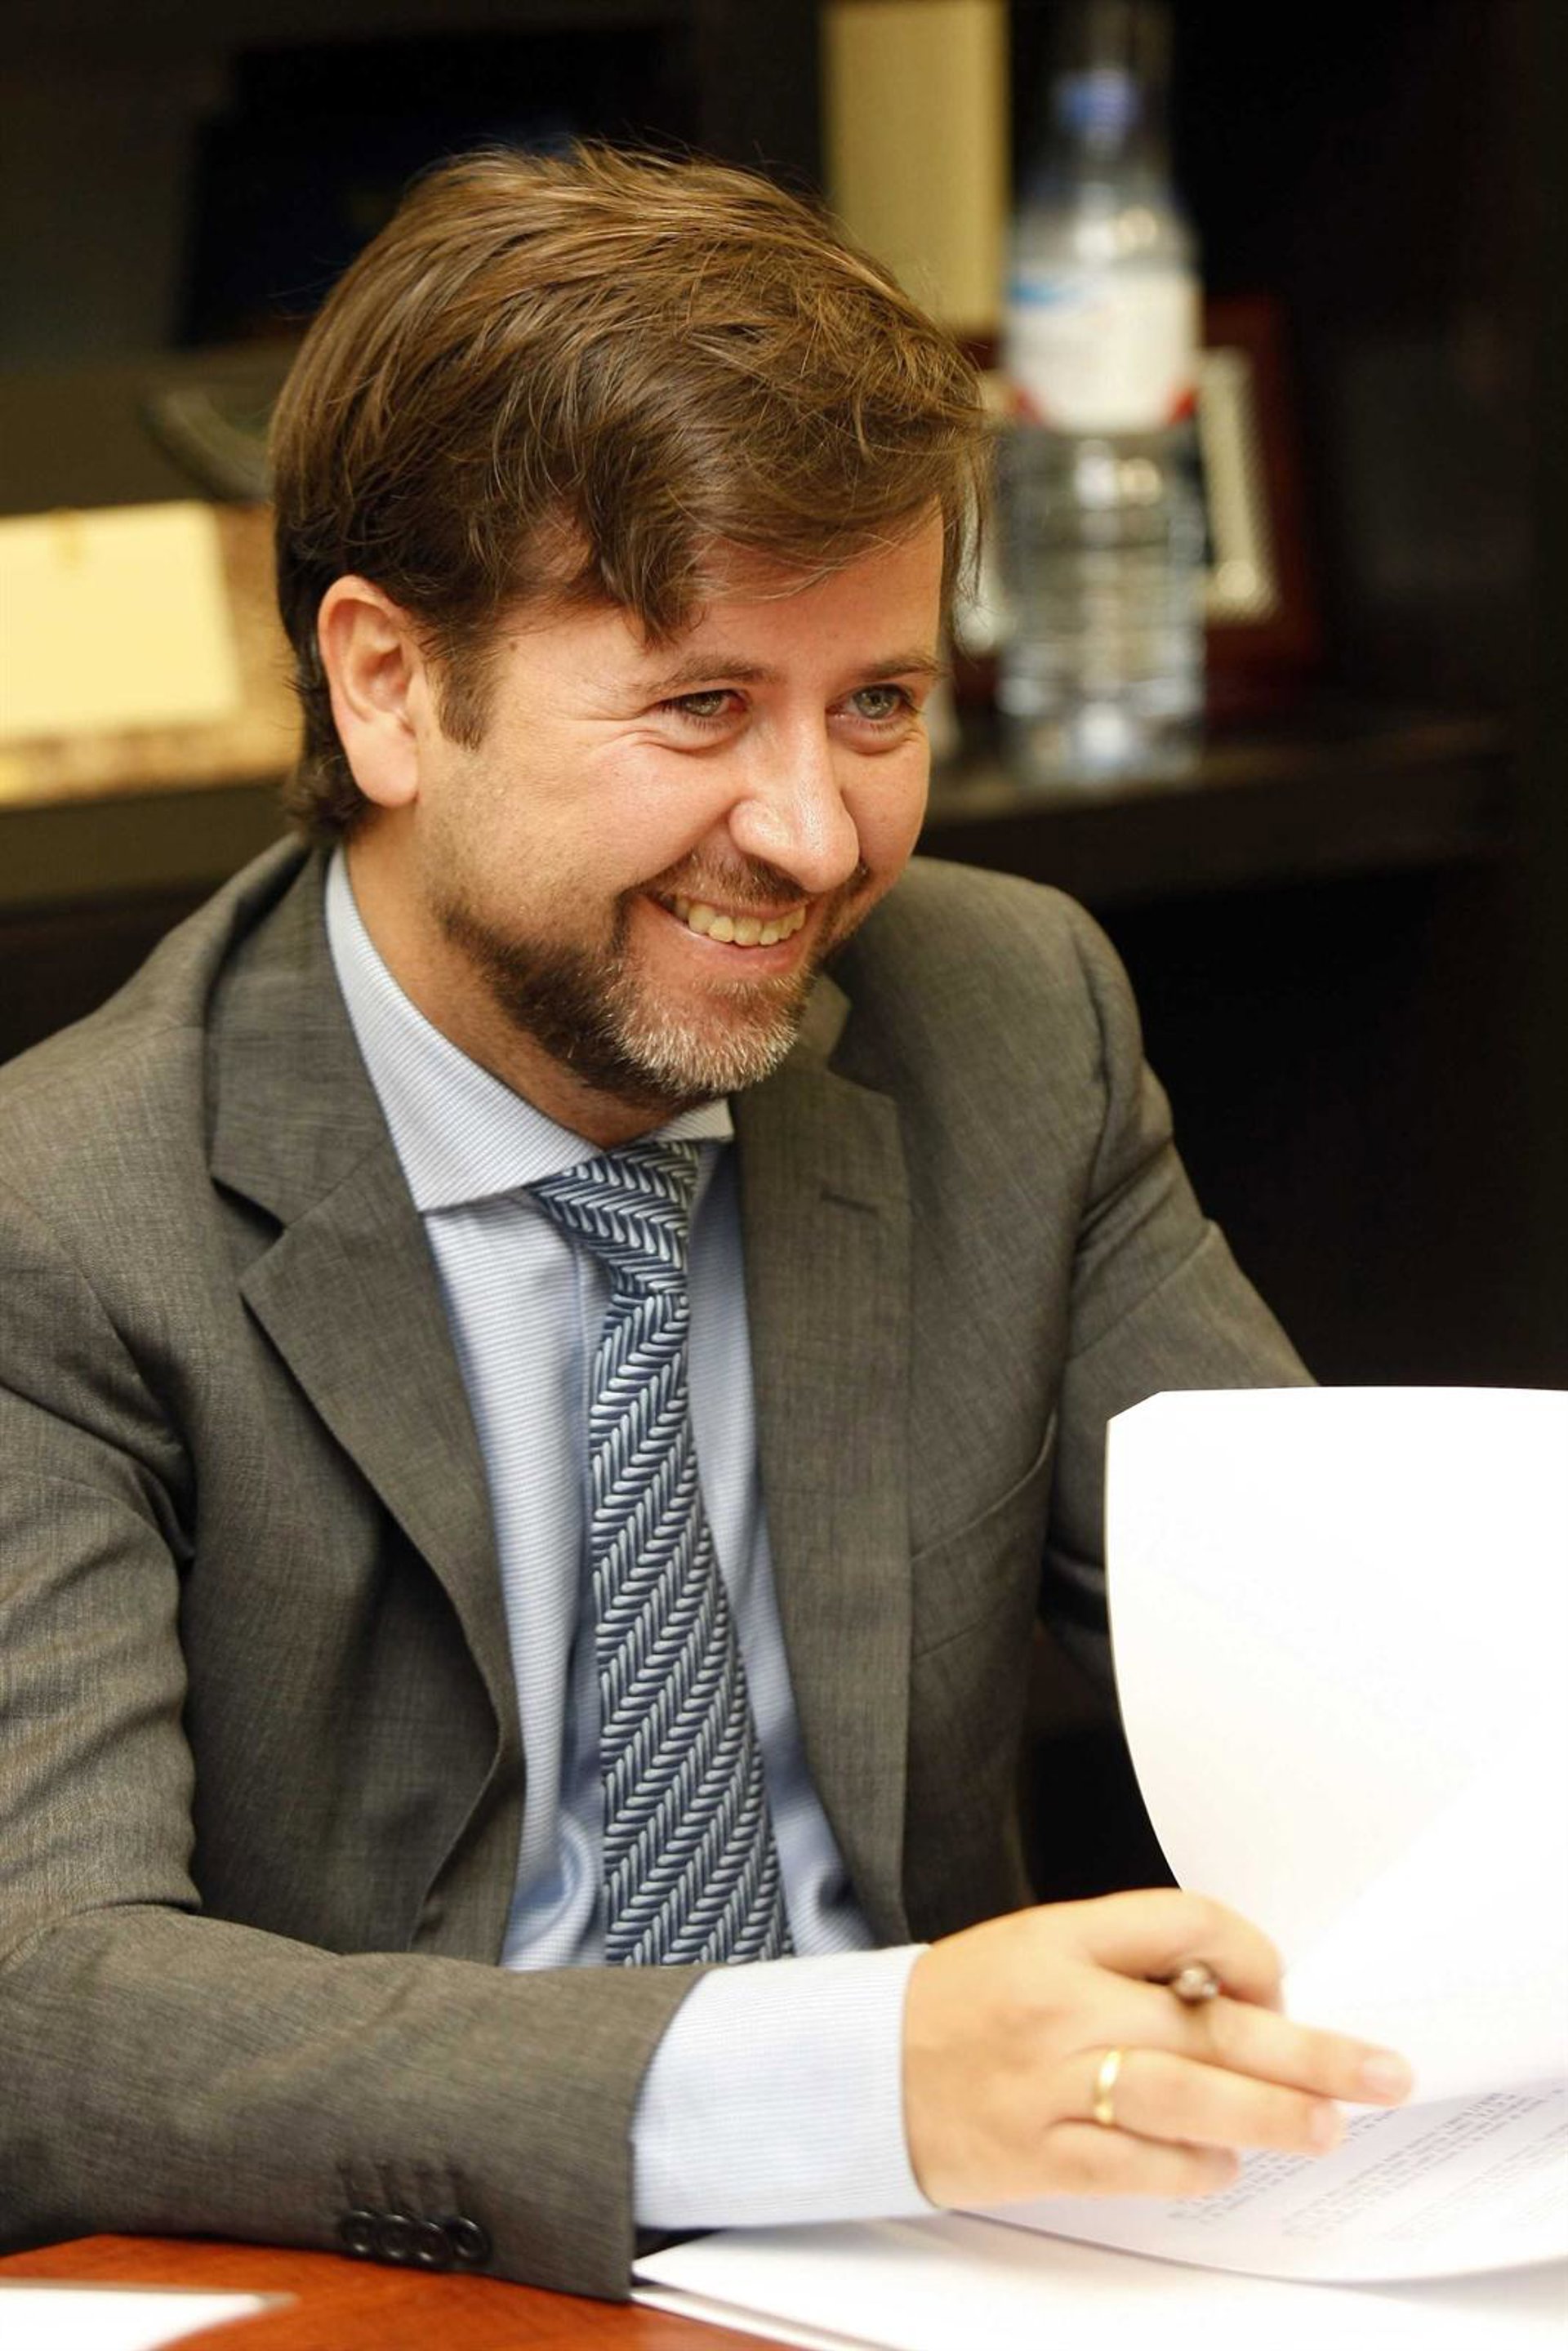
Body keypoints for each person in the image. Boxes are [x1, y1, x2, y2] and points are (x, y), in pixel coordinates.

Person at [0, 146, 1411, 2299]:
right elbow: (47, 2003)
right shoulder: (62, 1221)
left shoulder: (1007, 1018)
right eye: (701, 707)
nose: (816, 834)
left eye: (880, 705)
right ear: (389, 685)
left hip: (966, 2277)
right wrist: (836, 2078)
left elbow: (1351, 1678)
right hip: (409, 2287)